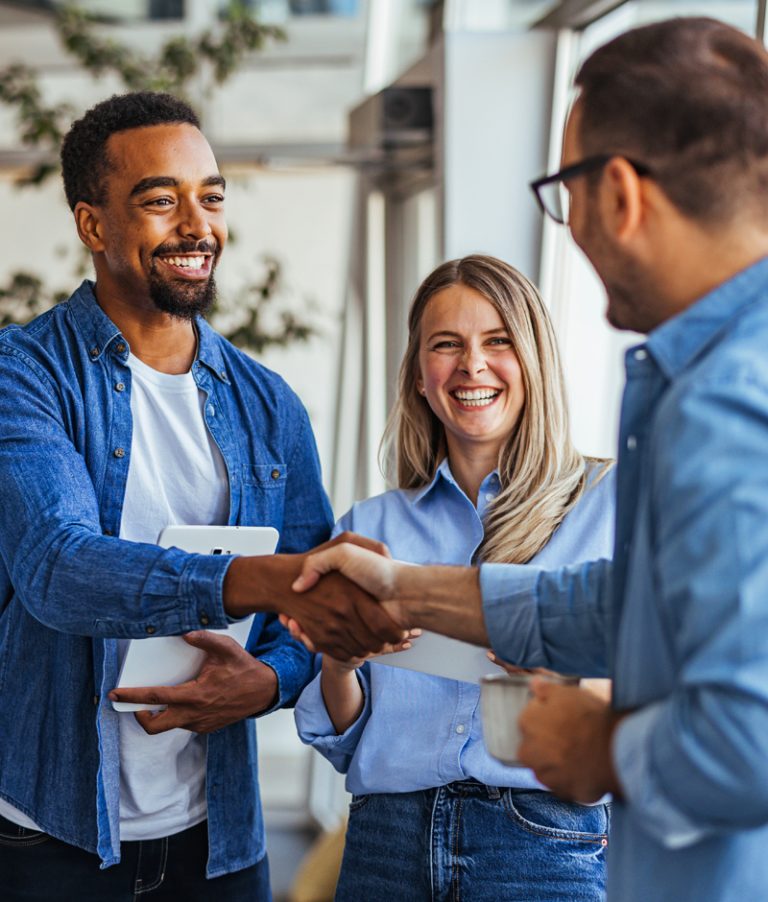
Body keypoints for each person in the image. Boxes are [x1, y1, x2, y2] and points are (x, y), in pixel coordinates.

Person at [287, 17, 768, 902]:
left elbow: (751, 735)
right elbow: (618, 604)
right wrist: (401, 592)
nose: (572, 228)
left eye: (565, 192)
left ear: (618, 192)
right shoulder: (708, 374)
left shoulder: (725, 397)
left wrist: (600, 746)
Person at [0, 91, 401, 901]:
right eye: (160, 199)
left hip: (215, 838)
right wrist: (246, 581)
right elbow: (56, 566)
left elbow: (306, 613)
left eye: (211, 197)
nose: (197, 224)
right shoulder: (25, 374)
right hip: (48, 835)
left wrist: (271, 680)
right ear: (93, 225)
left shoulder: (266, 402)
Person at [292, 255, 615, 901]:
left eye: (498, 341)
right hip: (387, 839)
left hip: (540, 841)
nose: (472, 365)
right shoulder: (369, 527)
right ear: (418, 375)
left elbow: (652, 686)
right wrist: (338, 663)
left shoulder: (609, 503)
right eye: (447, 345)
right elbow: (348, 739)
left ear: (534, 362)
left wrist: (555, 668)